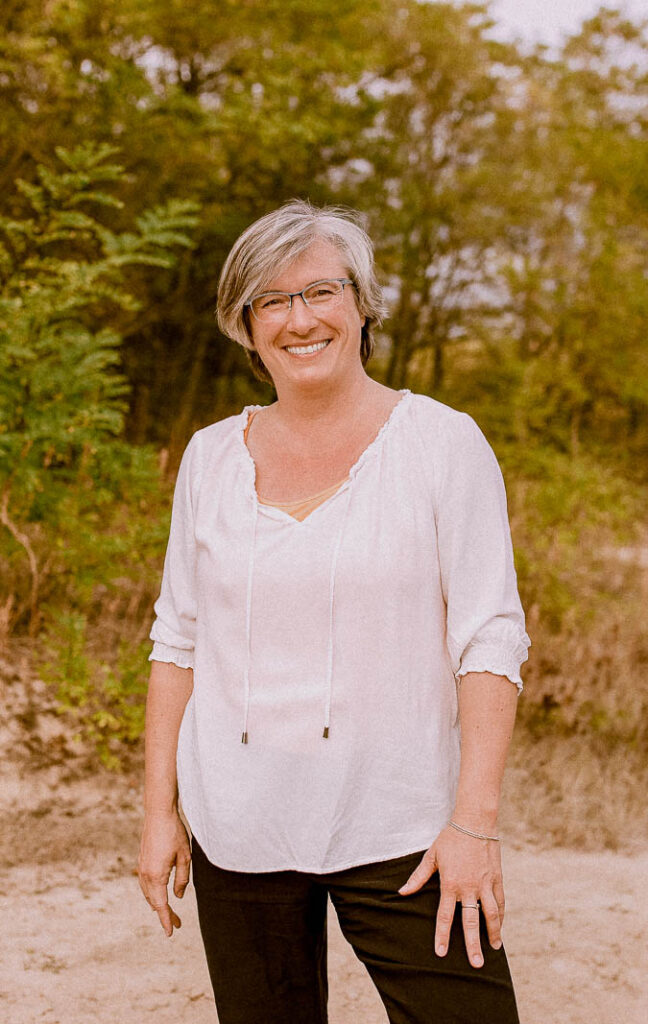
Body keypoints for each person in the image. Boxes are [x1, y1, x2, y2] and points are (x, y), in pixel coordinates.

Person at [137, 200, 530, 1024]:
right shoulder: (210, 458)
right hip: (240, 824)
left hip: (406, 825)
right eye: (272, 301)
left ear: (361, 304)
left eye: (320, 290)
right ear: (244, 326)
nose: (300, 318)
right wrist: (158, 814)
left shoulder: (443, 444)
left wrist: (475, 823)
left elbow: (490, 639)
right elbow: (178, 642)